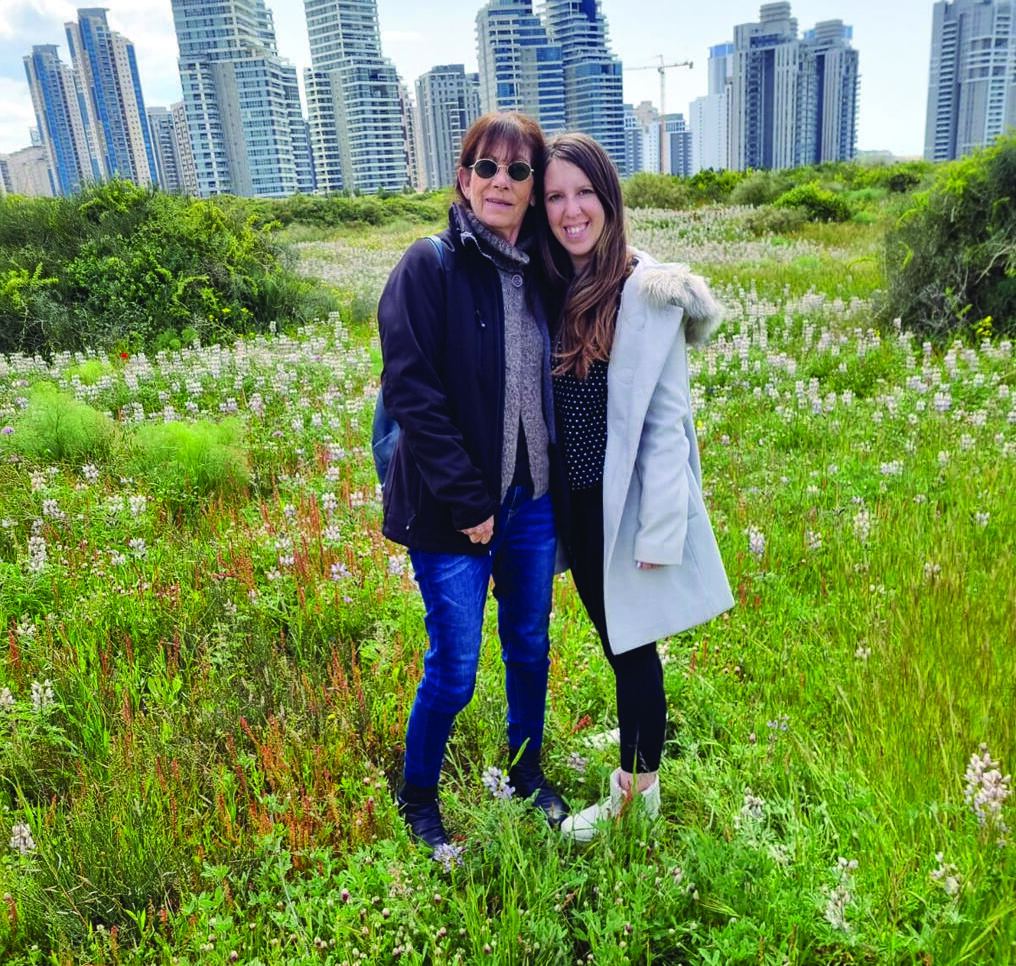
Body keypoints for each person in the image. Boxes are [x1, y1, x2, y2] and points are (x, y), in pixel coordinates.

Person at [377, 112, 567, 850]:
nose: (500, 181)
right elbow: (412, 390)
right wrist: (469, 503)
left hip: (534, 505)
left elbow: (608, 258)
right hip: (454, 513)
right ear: (463, 178)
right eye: (486, 167)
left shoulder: (544, 273)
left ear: (532, 189)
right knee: (454, 670)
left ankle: (526, 774)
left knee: (529, 649)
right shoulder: (429, 266)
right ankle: (418, 798)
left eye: (518, 172)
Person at [537, 132, 734, 841]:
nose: (570, 210)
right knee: (614, 635)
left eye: (583, 192)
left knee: (633, 647)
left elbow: (666, 422)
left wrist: (659, 531)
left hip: (622, 511)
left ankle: (635, 794)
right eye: (555, 196)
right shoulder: (554, 282)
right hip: (575, 506)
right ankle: (637, 741)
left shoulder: (644, 292)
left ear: (609, 197)